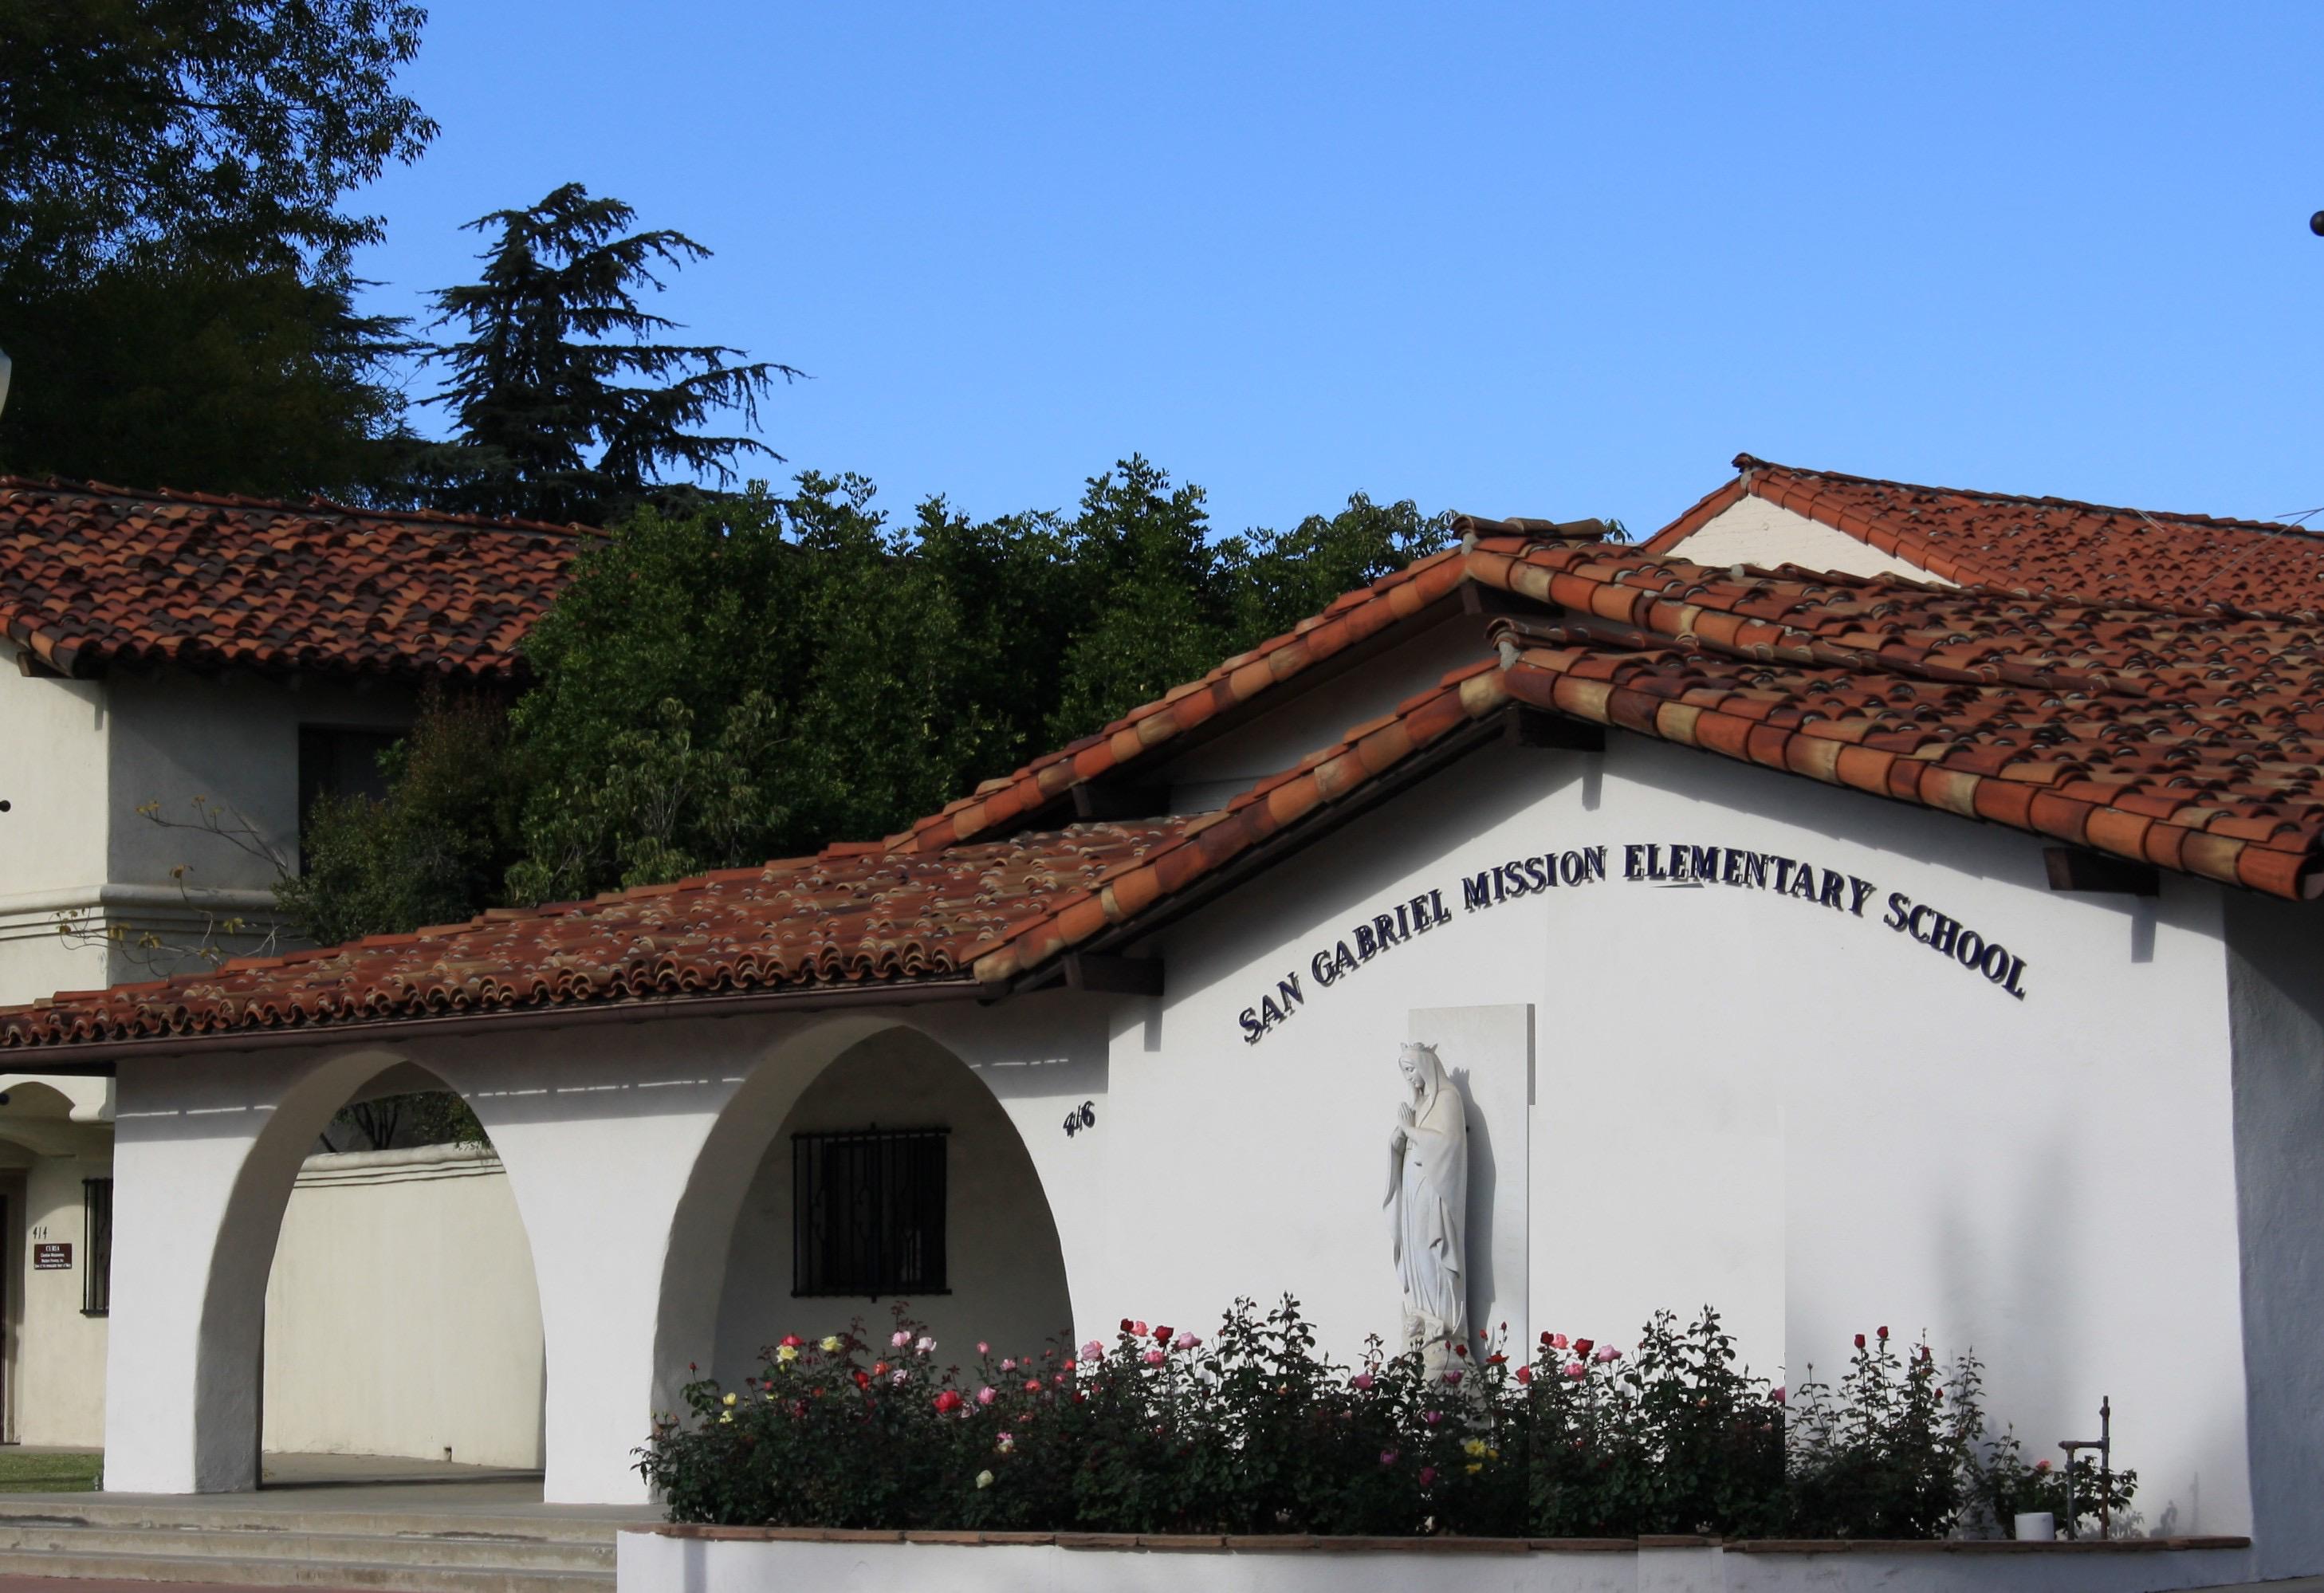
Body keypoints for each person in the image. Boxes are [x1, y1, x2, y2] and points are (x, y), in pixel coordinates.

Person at [1385, 1040, 1468, 1372]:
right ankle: (1421, 1321)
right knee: (1415, 1252)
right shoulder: (1421, 1102)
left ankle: (1442, 1326)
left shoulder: (1448, 1098)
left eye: (1411, 1070)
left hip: (1432, 1191)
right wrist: (1399, 1138)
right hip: (1412, 1187)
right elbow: (1403, 1142)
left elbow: (1448, 1144)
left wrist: (1410, 1128)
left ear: (1425, 1067)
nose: (1409, 1078)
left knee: (1430, 1251)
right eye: (1404, 1073)